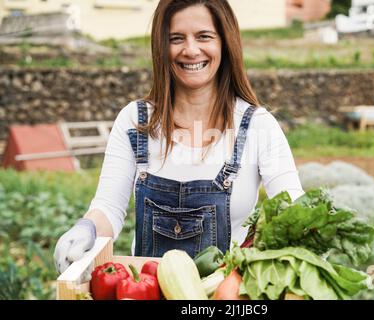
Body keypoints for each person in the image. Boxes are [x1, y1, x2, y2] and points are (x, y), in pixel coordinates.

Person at [54, 0, 304, 275]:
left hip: (228, 294)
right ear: (162, 47)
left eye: (204, 36)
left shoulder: (259, 126)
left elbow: (292, 206)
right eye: (176, 38)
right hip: (146, 289)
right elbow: (109, 207)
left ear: (225, 43)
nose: (191, 50)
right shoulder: (135, 120)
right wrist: (86, 229)